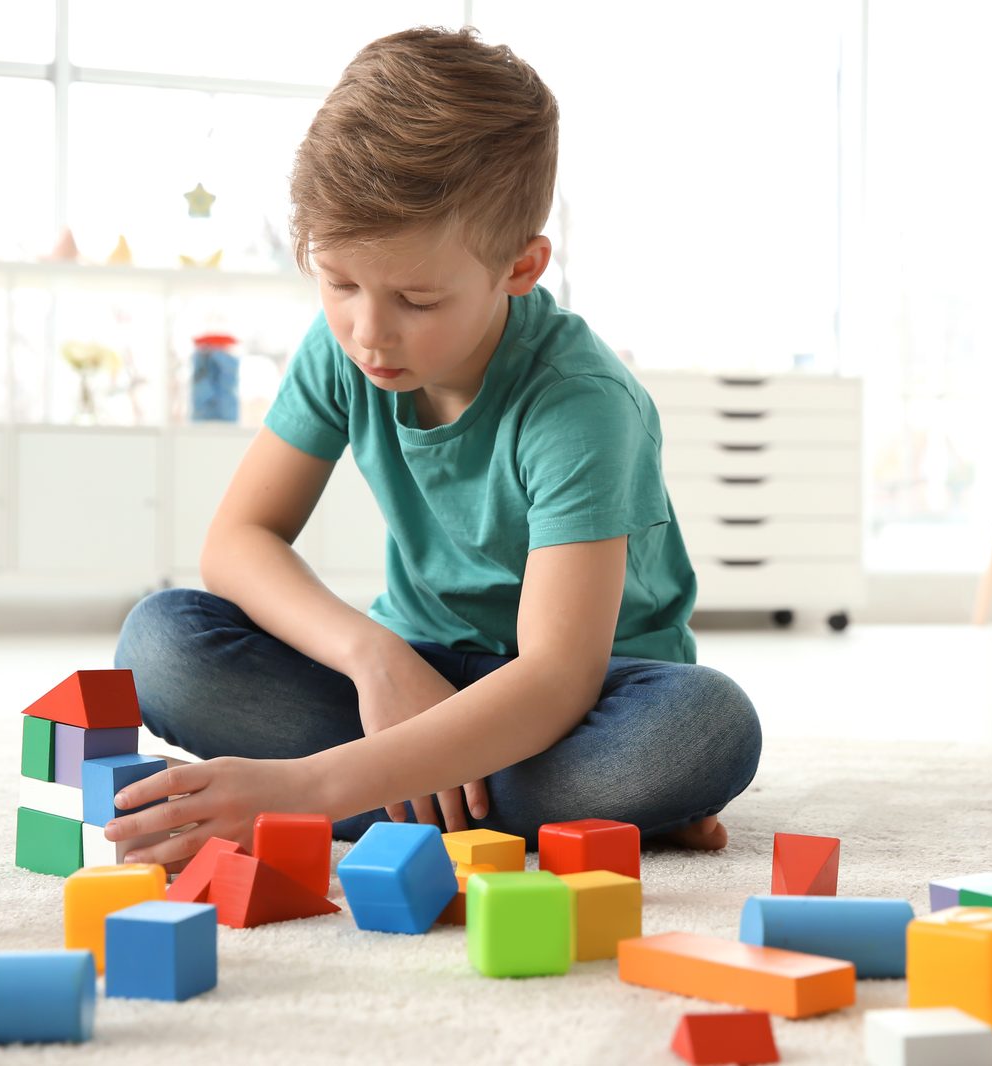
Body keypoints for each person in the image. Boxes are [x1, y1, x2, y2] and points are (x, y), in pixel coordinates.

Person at [107, 26, 761, 870]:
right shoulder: (340, 347)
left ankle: (352, 788)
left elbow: (556, 678)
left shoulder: (580, 404)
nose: (368, 333)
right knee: (161, 643)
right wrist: (372, 657)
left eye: (417, 297)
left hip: (582, 692)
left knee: (703, 730)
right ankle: (534, 807)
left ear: (520, 269)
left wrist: (302, 795)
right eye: (339, 282)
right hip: (410, 669)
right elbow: (238, 542)